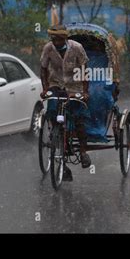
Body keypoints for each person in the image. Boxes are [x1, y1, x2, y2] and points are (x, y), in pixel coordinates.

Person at [40, 24, 91, 181]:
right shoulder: (48, 48)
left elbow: (85, 69)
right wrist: (45, 88)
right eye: (53, 39)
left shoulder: (77, 48)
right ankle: (57, 141)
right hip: (56, 85)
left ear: (65, 38)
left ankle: (83, 151)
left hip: (74, 86)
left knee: (78, 116)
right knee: (52, 111)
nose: (55, 42)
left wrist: (84, 91)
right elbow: (43, 69)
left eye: (59, 39)